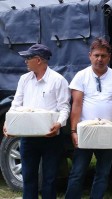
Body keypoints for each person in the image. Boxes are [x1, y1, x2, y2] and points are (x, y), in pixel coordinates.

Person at [2, 44, 70, 199]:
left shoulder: (58, 80)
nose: (25, 61)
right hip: (27, 137)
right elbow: (16, 105)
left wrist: (59, 124)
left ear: (38, 60)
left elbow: (64, 108)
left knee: (50, 179)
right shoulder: (24, 79)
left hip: (50, 137)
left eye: (28, 58)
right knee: (28, 177)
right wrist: (8, 123)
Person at [65, 38, 112, 199]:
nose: (100, 59)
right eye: (96, 55)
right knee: (77, 172)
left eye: (103, 56)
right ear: (90, 56)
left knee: (103, 173)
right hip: (85, 131)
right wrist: (73, 131)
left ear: (109, 57)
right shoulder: (81, 76)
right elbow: (76, 105)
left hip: (108, 131)